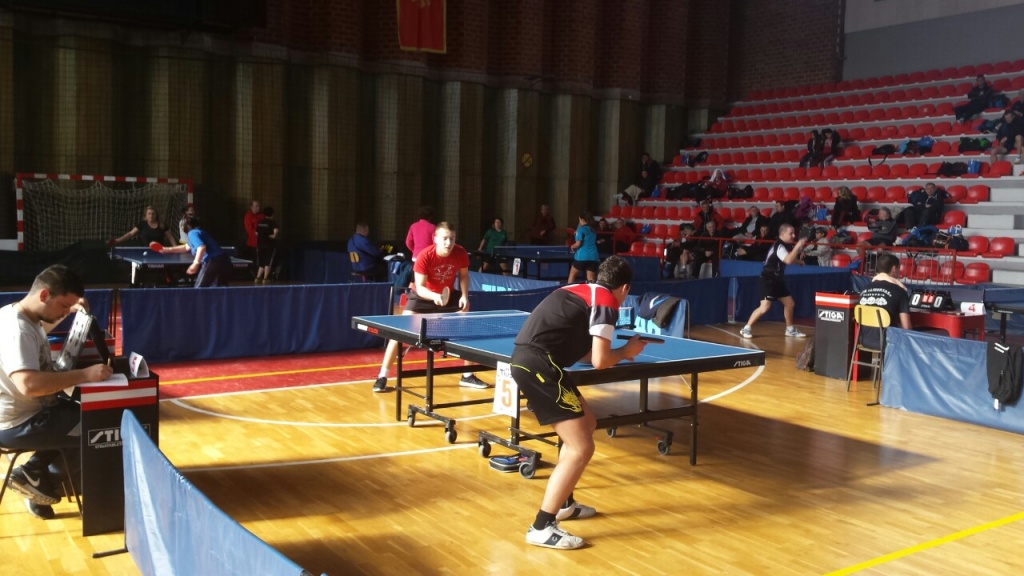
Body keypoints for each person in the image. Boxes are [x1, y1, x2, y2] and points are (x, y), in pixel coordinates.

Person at [514, 256, 648, 549]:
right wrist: (626, 350)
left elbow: (585, 355)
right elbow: (600, 361)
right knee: (581, 447)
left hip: (535, 362)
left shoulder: (578, 290)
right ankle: (541, 526)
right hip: (540, 366)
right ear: (625, 288)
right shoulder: (606, 301)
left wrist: (617, 352)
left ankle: (564, 504)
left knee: (587, 424)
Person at [0, 265, 113, 520]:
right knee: (98, 427)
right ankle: (38, 481)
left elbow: (40, 331)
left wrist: (69, 310)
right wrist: (85, 375)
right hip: (21, 423)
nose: (65, 311)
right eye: (63, 305)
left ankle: (35, 475)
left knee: (87, 416)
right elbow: (28, 385)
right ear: (44, 295)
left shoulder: (21, 316)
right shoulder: (18, 330)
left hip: (27, 414)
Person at [373, 222, 490, 393]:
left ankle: (467, 375)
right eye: (445, 238)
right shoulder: (425, 256)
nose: (448, 243)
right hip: (422, 297)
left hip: (448, 296)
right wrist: (435, 296)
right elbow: (420, 287)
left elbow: (464, 276)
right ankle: (382, 376)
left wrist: (464, 295)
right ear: (435, 239)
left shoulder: (460, 252)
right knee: (398, 333)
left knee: (467, 327)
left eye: (452, 238)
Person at [739, 223, 809, 339]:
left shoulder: (784, 246)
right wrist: (797, 247)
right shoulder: (779, 246)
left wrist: (799, 261)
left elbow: (787, 258)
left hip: (777, 280)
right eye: (790, 233)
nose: (793, 235)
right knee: (765, 307)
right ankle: (746, 328)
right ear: (782, 234)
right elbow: (787, 260)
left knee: (790, 304)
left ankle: (790, 329)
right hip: (768, 280)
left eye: (794, 233)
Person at [857, 253, 912, 349]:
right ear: (894, 269)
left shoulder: (864, 289)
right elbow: (906, 328)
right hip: (888, 342)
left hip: (864, 340)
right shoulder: (900, 291)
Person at [163, 216, 234, 287]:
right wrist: (167, 249)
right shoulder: (198, 232)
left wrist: (195, 263)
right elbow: (186, 247)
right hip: (224, 261)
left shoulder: (192, 233)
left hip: (213, 261)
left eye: (182, 225)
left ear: (187, 226)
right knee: (219, 289)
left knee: (199, 289)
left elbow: (201, 247)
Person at [110, 205, 176, 247]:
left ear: (156, 215)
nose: (151, 216)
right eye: (149, 214)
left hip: (160, 252)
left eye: (153, 214)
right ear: (146, 215)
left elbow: (171, 238)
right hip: (145, 252)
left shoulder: (162, 225)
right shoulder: (142, 224)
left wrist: (176, 248)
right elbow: (130, 234)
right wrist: (118, 240)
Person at [567, 212, 600, 284]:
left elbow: (578, 244)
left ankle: (568, 289)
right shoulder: (593, 229)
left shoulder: (580, 230)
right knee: (591, 279)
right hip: (593, 257)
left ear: (582, 219)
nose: (579, 221)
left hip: (582, 257)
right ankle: (592, 291)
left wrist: (572, 246)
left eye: (579, 220)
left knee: (572, 274)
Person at [254, 207, 280, 283]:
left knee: (261, 262)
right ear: (272, 214)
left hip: (260, 245)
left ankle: (257, 278)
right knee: (268, 261)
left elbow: (256, 233)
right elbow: (275, 231)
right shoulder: (272, 223)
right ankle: (265, 278)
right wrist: (273, 235)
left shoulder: (260, 222)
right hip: (269, 245)